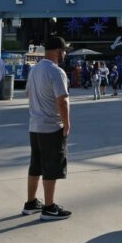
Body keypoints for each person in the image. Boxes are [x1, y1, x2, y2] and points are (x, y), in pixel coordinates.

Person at [22, 36, 72, 221]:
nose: (65, 53)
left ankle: (31, 202)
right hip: (51, 126)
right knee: (51, 166)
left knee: (35, 165)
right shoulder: (56, 71)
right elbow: (62, 100)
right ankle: (49, 207)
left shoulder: (34, 70)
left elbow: (28, 93)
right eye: (64, 50)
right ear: (58, 51)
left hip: (34, 126)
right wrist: (66, 124)